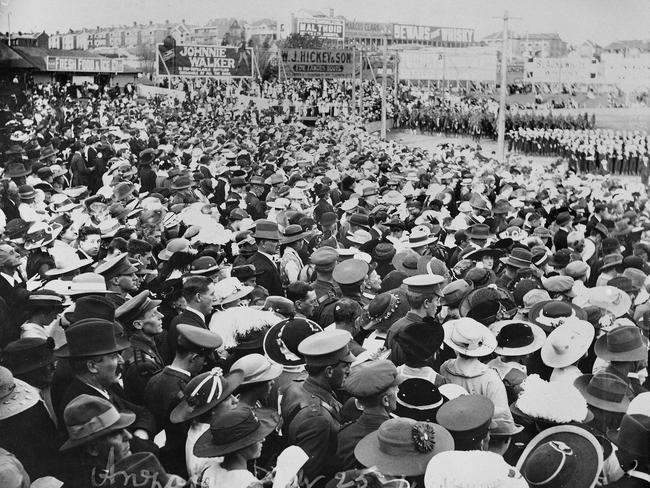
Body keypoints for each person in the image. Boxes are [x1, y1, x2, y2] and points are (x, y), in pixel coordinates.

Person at [144, 323, 223, 477]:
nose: (205, 364)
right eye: (204, 359)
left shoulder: (155, 378)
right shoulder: (186, 392)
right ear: (194, 358)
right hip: (179, 464)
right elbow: (187, 434)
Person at [280, 329, 355, 487]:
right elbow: (308, 478)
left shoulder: (296, 386)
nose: (349, 370)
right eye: (346, 366)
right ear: (329, 371)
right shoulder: (317, 420)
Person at [336, 360, 402, 471]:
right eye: (395, 388)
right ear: (386, 400)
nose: (398, 390)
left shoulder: (344, 434)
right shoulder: (398, 436)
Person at [192, 406, 279, 488]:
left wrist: (260, 483)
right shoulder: (246, 481)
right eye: (256, 437)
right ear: (242, 445)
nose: (263, 439)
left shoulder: (207, 472)